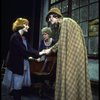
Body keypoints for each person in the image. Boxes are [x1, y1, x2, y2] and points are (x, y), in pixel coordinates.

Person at [40, 8, 93, 100]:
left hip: (73, 55)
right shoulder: (65, 23)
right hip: (75, 54)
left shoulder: (65, 22)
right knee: (73, 78)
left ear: (54, 16)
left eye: (50, 18)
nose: (49, 20)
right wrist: (51, 49)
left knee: (69, 77)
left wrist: (50, 50)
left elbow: (62, 42)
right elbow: (62, 41)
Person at [2, 17, 40, 100]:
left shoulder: (24, 38)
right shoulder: (15, 37)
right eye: (26, 25)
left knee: (18, 88)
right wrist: (38, 54)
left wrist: (39, 53)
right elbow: (23, 50)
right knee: (17, 89)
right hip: (17, 66)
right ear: (20, 25)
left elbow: (30, 49)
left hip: (23, 65)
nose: (28, 27)